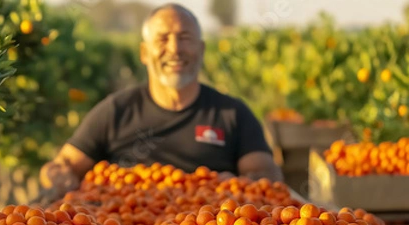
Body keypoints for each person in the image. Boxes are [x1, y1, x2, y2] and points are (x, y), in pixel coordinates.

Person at [39, 3, 283, 199]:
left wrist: (231, 186)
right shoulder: (116, 111)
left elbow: (266, 175)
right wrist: (62, 179)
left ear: (201, 49)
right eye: (163, 39)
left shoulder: (232, 113)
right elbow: (63, 166)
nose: (175, 49)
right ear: (144, 53)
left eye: (184, 37)